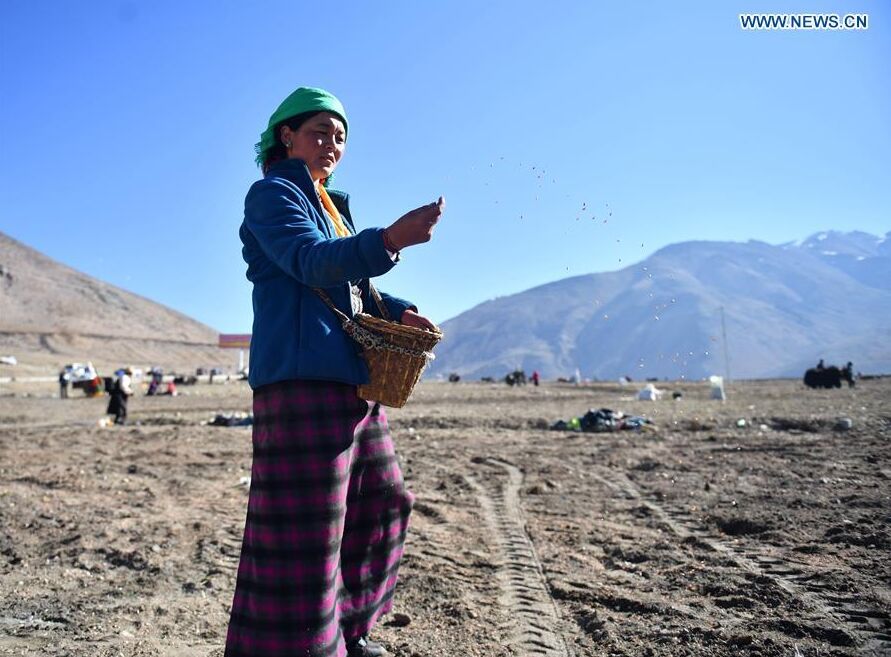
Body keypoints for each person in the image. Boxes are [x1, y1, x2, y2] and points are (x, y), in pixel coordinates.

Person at [225, 87, 443, 657]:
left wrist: (395, 310)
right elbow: (308, 262)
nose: (332, 144)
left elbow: (352, 284)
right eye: (320, 131)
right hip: (298, 380)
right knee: (309, 536)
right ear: (286, 137)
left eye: (340, 137)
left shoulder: (329, 204)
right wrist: (391, 239)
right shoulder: (272, 195)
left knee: (385, 502)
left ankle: (351, 628)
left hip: (350, 379)